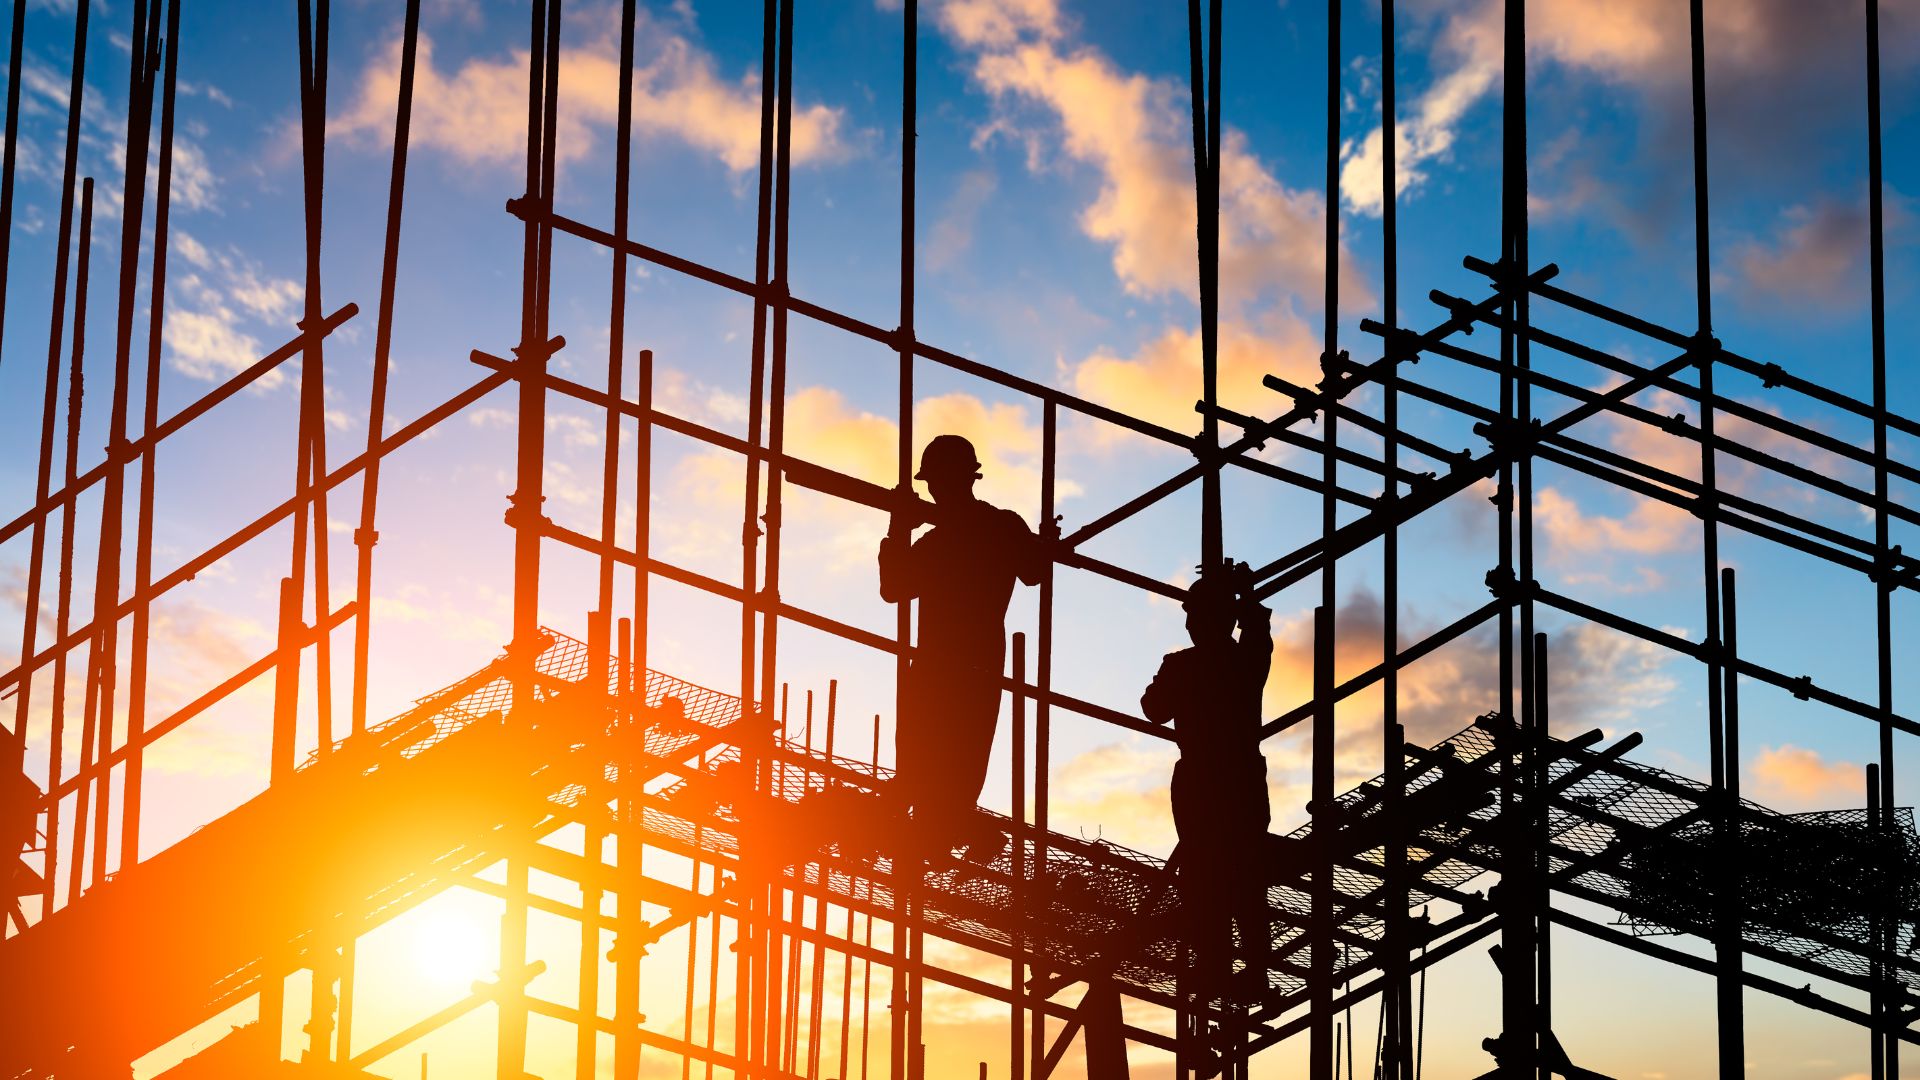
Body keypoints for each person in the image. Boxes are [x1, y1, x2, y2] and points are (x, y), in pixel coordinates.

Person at [878, 434, 1047, 859]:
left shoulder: (941, 541)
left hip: (943, 662)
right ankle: (941, 827)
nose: (935, 491)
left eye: (936, 483)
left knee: (934, 751)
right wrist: (1041, 542)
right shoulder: (999, 526)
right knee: (956, 752)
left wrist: (898, 528)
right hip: (975, 661)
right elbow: (1034, 571)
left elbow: (893, 587)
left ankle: (934, 831)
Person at [1141, 560, 1274, 1023]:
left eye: (1194, 616)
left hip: (1203, 779)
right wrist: (1246, 596)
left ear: (1200, 620)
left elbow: (1153, 709)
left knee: (1207, 878)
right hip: (1238, 778)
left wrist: (1243, 599)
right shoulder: (1244, 660)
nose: (1190, 623)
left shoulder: (1183, 665)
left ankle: (1219, 967)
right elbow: (1258, 633)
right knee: (1242, 876)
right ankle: (1251, 970)